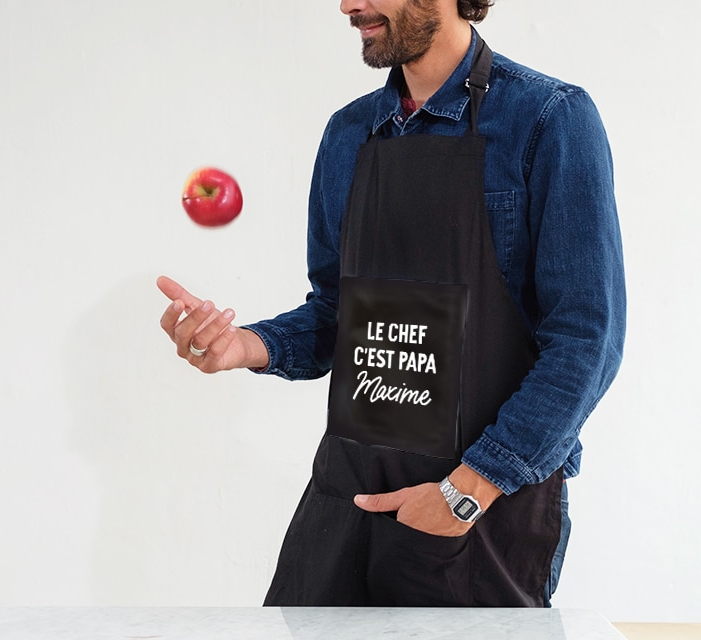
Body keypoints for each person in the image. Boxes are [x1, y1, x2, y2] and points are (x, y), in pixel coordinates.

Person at [158, 0, 625, 608]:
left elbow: (587, 341)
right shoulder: (349, 132)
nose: (350, 4)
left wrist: (468, 490)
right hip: (349, 489)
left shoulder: (549, 120)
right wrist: (247, 345)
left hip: (478, 506)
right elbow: (335, 311)